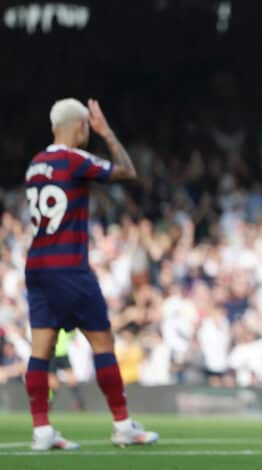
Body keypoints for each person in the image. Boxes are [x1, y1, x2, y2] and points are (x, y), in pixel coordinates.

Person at [23, 98, 158, 450]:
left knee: (41, 351)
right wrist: (108, 134)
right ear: (81, 127)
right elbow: (127, 171)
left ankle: (42, 431)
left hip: (37, 267)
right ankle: (123, 425)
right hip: (69, 267)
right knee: (102, 343)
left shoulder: (35, 165)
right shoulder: (75, 159)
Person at [47, 329, 86, 412]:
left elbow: (72, 334)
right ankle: (48, 403)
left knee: (71, 379)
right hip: (52, 354)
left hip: (63, 354)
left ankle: (79, 402)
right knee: (53, 382)